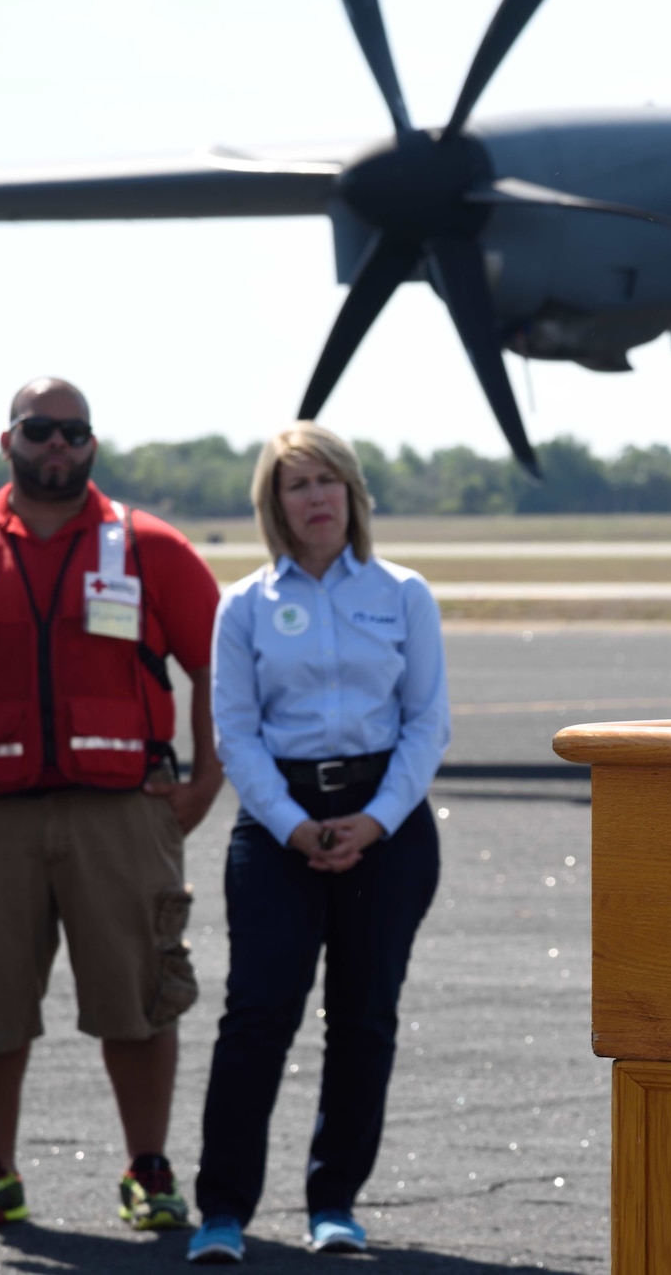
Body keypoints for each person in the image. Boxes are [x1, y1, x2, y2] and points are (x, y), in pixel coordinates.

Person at [0, 378, 223, 1235]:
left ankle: (149, 1170)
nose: (59, 446)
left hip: (122, 812)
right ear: (10, 441)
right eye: (42, 430)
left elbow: (221, 664)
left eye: (75, 432)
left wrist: (206, 779)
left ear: (92, 444)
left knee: (139, 995)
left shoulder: (150, 548)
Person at [190, 422, 449, 1264]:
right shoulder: (244, 606)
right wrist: (295, 825)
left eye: (329, 480)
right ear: (275, 503)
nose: (317, 498)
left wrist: (373, 820)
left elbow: (427, 722)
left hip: (388, 819)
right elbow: (235, 732)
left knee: (364, 1018)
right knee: (257, 1018)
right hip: (279, 825)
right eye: (297, 484)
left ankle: (333, 1201)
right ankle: (223, 1210)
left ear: (353, 494)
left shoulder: (403, 592)